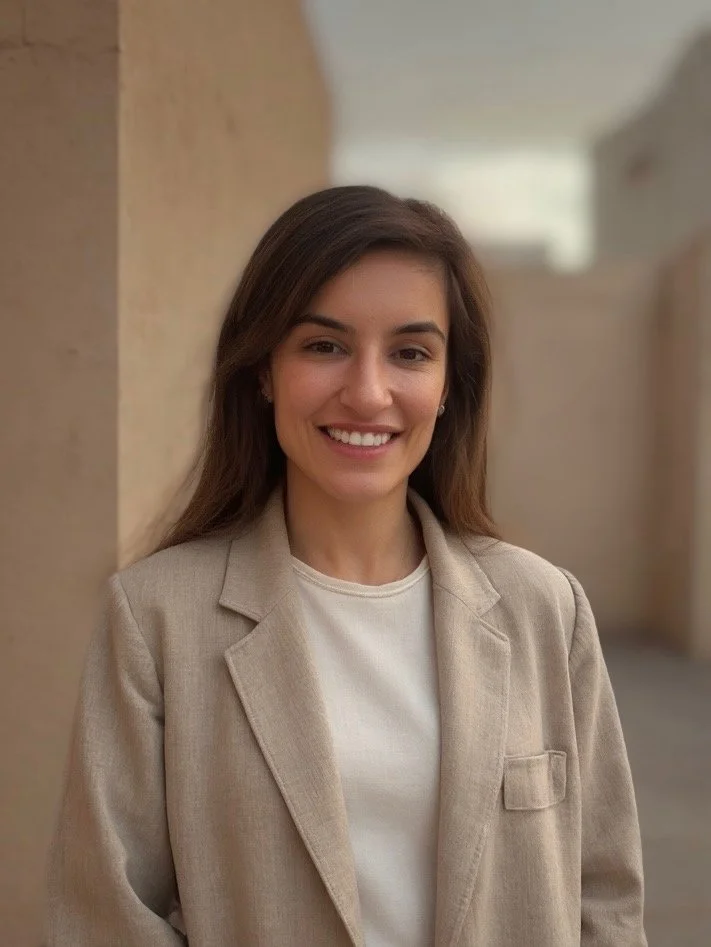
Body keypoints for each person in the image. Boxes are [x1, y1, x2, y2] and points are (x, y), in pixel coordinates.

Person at [47, 185, 647, 946]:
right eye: (323, 345)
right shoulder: (156, 617)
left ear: (446, 387)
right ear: (263, 369)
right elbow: (106, 917)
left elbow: (605, 905)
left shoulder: (543, 607)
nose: (368, 392)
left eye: (409, 352)